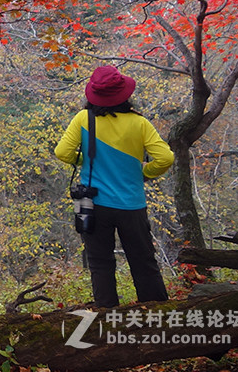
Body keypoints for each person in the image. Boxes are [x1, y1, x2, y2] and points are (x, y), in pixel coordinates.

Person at [54, 65, 174, 307]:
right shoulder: (139, 123)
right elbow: (166, 158)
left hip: (92, 203)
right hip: (131, 204)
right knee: (143, 261)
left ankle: (107, 314)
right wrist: (145, 174)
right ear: (124, 94)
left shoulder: (83, 119)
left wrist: (86, 158)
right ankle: (157, 313)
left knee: (99, 262)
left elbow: (62, 152)